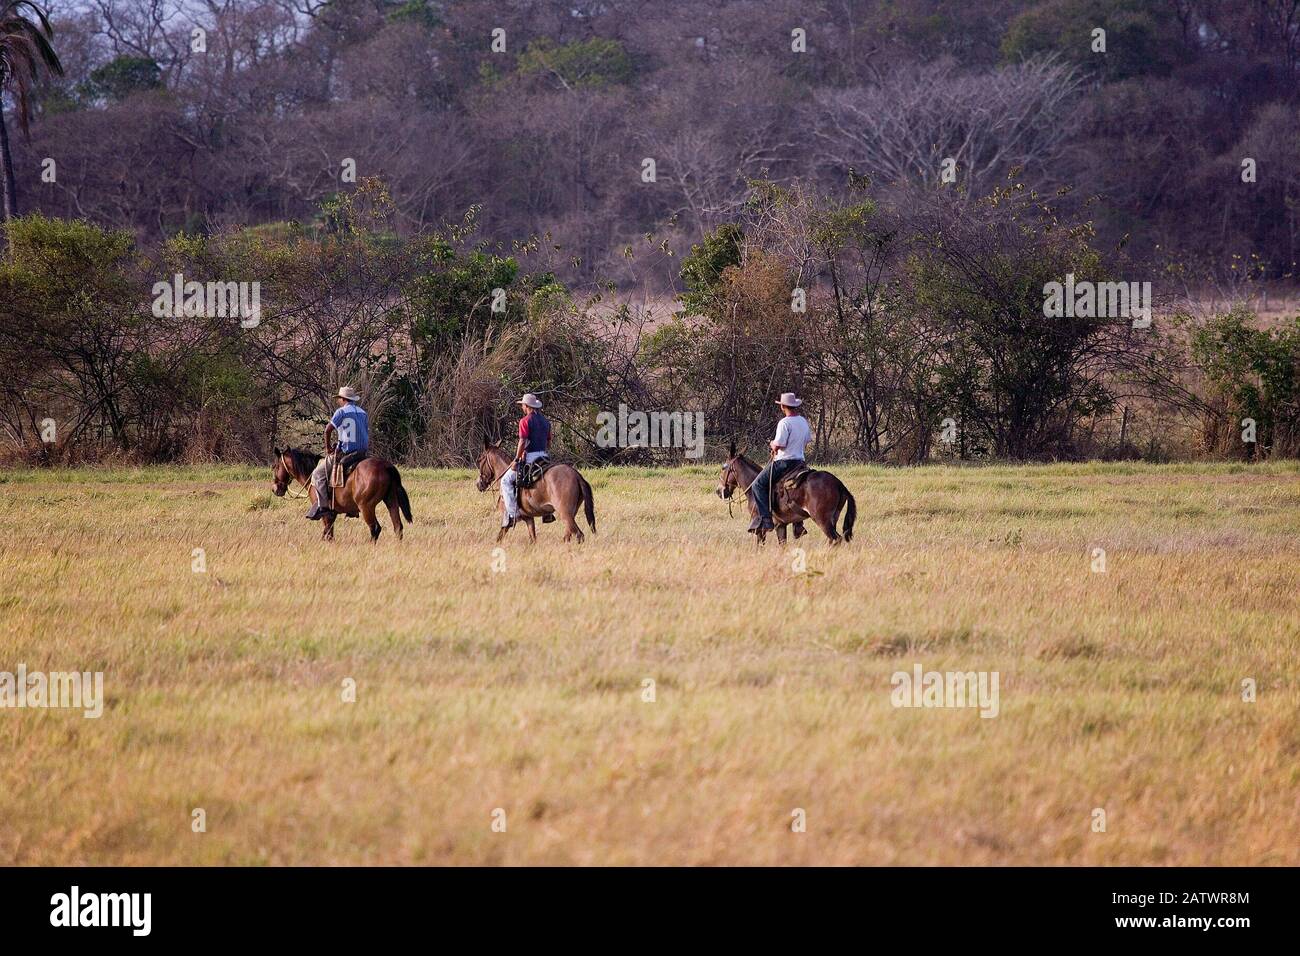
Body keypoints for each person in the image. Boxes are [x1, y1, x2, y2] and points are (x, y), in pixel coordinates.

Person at [749, 392, 812, 533]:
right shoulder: (802, 421)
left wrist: (772, 445)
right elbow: (807, 440)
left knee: (757, 485)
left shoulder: (784, 423)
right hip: (800, 462)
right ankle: (798, 525)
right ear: (795, 405)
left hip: (784, 463)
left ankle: (765, 519)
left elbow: (780, 444)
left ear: (783, 406)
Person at [306, 385, 370, 520]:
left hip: (347, 452)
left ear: (343, 399)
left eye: (339, 398)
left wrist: (328, 448)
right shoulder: (363, 413)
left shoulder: (341, 412)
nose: (338, 401)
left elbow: (328, 430)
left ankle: (323, 507)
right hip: (362, 452)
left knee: (318, 474)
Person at [500, 393, 551, 529]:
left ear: (526, 406)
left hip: (531, 457)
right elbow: (548, 441)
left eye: (522, 404)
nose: (522, 407)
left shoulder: (525, 421)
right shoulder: (546, 422)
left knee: (505, 481)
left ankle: (513, 514)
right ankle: (548, 512)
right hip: (544, 457)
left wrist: (517, 458)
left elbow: (522, 441)